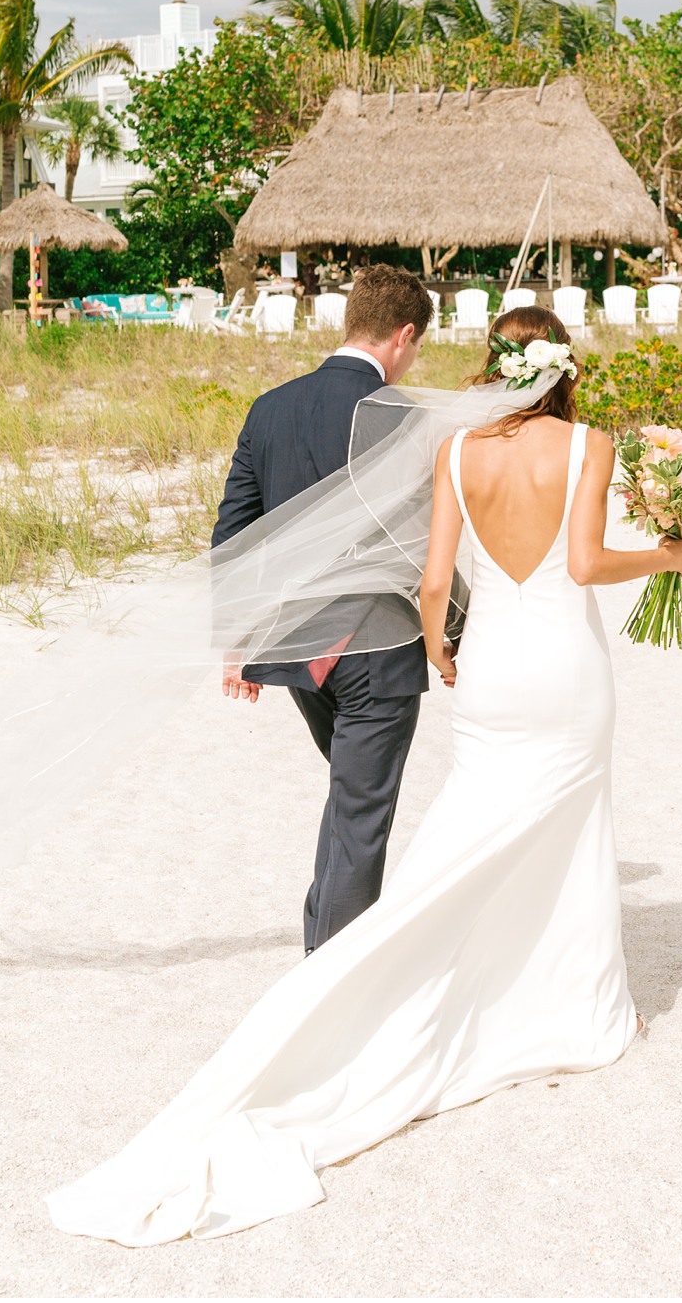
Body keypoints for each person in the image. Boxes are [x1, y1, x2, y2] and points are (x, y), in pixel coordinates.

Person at [47, 307, 682, 1248]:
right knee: (574, 825)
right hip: (566, 669)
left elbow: (435, 579)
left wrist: (441, 650)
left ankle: (369, 974)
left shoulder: (456, 450)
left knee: (463, 831)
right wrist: (671, 555)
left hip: (489, 676)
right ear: (564, 366)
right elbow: (590, 560)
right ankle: (587, 1008)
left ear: (496, 366)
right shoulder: (592, 441)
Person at [211, 262, 434, 955]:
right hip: (375, 643)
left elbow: (232, 536)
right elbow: (426, 539)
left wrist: (239, 638)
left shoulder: (270, 406)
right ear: (403, 335)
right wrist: (449, 631)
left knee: (349, 803)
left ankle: (323, 949)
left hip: (297, 649)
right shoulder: (402, 416)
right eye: (416, 347)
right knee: (361, 814)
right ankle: (327, 980)